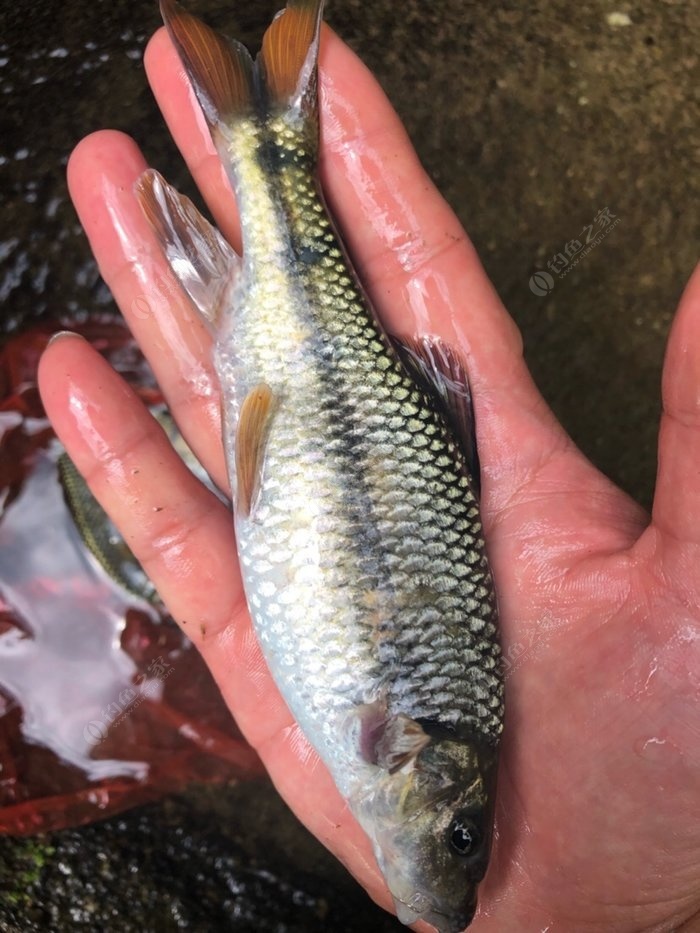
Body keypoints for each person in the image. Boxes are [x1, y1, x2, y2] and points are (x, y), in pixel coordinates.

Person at [38, 21, 700, 933]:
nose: (452, 872)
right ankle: (265, 148)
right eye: (462, 839)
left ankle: (262, 146)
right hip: (312, 407)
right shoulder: (404, 727)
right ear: (412, 753)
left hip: (303, 413)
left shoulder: (410, 737)